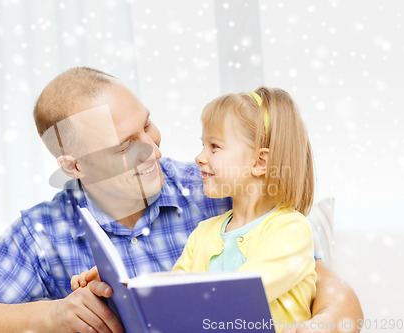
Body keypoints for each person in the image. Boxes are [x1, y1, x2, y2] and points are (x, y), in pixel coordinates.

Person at [0, 67, 363, 333]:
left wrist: (326, 322)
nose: (152, 149)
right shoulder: (42, 233)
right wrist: (53, 316)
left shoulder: (213, 187)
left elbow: (328, 288)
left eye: (147, 126)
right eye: (123, 146)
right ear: (75, 167)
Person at [73, 87, 315, 331]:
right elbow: (172, 294)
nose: (199, 157)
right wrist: (119, 289)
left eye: (214, 146)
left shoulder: (292, 230)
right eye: (202, 145)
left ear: (260, 163)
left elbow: (239, 297)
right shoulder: (204, 232)